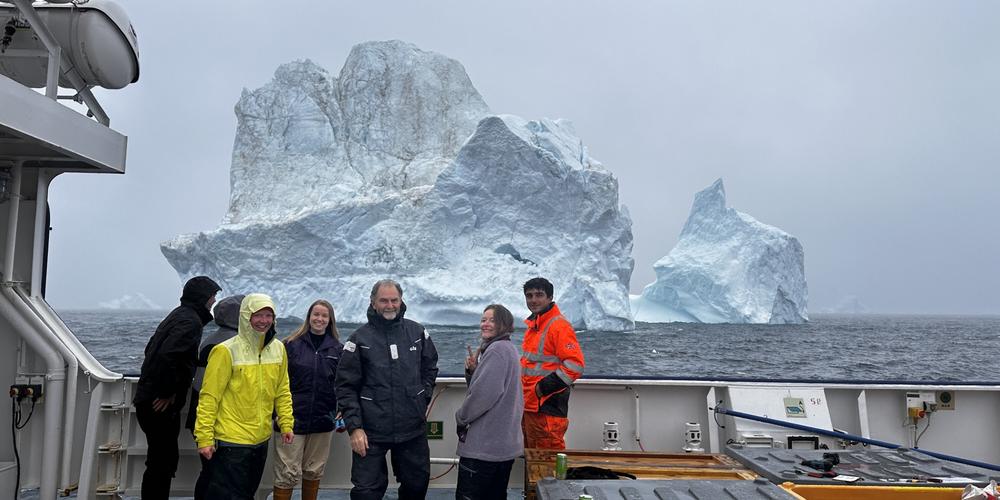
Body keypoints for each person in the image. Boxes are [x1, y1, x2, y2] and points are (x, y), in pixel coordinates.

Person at [335, 279, 439, 500]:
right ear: (373, 303)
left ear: (401, 301)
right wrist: (354, 428)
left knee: (416, 485)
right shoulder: (358, 339)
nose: (390, 305)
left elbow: (430, 367)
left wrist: (422, 397)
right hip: (371, 431)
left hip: (412, 428)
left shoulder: (417, 332)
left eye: (394, 300)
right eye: (384, 300)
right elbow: (345, 386)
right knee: (366, 492)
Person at [194, 293, 295, 499]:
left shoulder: (278, 349)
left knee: (248, 493)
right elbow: (209, 397)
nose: (264, 321)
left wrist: (286, 422)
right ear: (246, 316)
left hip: (260, 439)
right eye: (258, 315)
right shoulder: (225, 351)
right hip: (231, 440)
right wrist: (204, 437)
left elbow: (282, 390)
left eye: (268, 315)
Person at [133, 275, 220, 500]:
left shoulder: (178, 315)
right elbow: (167, 355)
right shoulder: (189, 321)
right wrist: (167, 392)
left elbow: (151, 348)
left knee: (159, 462)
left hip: (147, 399)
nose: (213, 301)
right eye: (212, 296)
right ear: (202, 297)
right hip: (158, 404)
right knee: (162, 464)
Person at [272, 300, 345, 500]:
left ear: (330, 320)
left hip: (323, 420)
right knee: (286, 472)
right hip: (292, 419)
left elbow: (344, 384)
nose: (319, 319)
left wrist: (343, 410)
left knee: (314, 470)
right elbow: (277, 382)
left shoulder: (337, 349)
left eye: (324, 316)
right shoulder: (290, 345)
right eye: (316, 314)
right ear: (309, 317)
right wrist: (276, 413)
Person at [456, 304, 523, 500]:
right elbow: (492, 388)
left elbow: (482, 396)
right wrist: (474, 371)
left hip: (484, 449)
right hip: (502, 446)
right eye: (483, 320)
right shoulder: (508, 348)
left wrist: (460, 417)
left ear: (504, 324)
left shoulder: (496, 351)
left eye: (492, 320)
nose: (485, 324)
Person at [185, 293, 244, 500]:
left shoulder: (209, 341)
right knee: (219, 474)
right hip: (219, 421)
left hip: (206, 419)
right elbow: (205, 388)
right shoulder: (227, 344)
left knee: (211, 472)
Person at [520, 277, 585, 450]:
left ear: (550, 298)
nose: (533, 300)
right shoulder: (534, 326)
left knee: (547, 463)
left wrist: (542, 388)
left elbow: (575, 365)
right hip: (530, 406)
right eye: (529, 295)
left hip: (547, 407)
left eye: (539, 295)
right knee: (533, 461)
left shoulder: (558, 326)